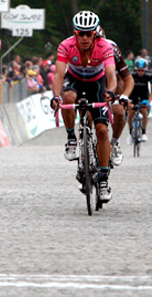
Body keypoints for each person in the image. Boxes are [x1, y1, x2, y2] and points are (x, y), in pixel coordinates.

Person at [50, 11, 116, 202]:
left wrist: (111, 92)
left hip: (97, 83)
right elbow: (59, 75)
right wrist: (56, 97)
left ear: (95, 33)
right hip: (75, 80)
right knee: (67, 97)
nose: (85, 38)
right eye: (81, 33)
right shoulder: (66, 45)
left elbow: (111, 75)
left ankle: (103, 180)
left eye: (89, 33)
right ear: (75, 33)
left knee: (102, 130)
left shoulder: (105, 46)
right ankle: (71, 138)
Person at [95, 25, 134, 167]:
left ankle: (115, 142)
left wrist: (123, 96)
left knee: (118, 112)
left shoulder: (112, 49)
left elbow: (124, 78)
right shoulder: (82, 47)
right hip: (94, 83)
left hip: (113, 82)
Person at [127, 59, 152, 143]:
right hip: (133, 95)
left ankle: (143, 132)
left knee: (144, 111)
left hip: (144, 95)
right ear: (136, 69)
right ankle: (130, 132)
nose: (140, 72)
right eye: (139, 70)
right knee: (130, 114)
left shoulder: (149, 75)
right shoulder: (132, 74)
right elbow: (126, 86)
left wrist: (148, 102)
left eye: (142, 70)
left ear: (145, 70)